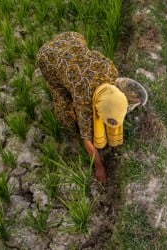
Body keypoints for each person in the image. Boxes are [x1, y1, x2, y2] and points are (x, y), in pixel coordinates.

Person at [37, 32, 128, 184]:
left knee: (73, 85)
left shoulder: (111, 71)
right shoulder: (84, 101)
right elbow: (87, 138)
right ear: (97, 110)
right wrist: (99, 167)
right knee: (63, 103)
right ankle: (72, 136)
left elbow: (97, 56)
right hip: (49, 58)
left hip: (73, 38)